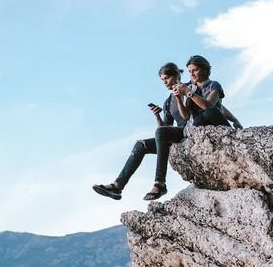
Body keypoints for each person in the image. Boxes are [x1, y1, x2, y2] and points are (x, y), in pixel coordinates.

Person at [92, 58, 242, 202]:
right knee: (141, 144)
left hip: (194, 128)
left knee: (198, 117)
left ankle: (159, 183)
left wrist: (234, 120)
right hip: (178, 135)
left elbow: (213, 107)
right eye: (162, 79)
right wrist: (157, 116)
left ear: (177, 75)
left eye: (167, 78)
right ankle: (118, 186)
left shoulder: (193, 87)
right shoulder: (168, 102)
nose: (165, 82)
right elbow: (163, 130)